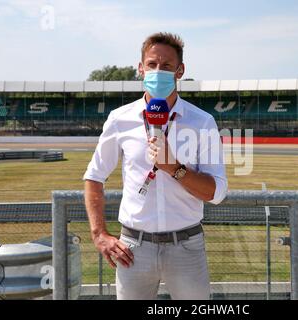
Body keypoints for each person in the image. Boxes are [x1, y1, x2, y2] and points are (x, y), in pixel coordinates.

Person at [83, 32, 227, 300]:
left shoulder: (202, 121)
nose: (158, 71)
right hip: (133, 248)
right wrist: (99, 234)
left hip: (187, 245)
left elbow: (216, 192)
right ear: (141, 68)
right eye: (152, 64)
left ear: (180, 71)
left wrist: (174, 167)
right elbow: (94, 177)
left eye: (167, 66)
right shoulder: (120, 119)